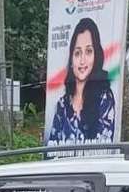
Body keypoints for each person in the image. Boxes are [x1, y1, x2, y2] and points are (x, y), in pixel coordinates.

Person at [48, 17, 115, 145]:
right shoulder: (62, 105)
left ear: (96, 56)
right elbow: (51, 147)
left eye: (89, 51)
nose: (82, 60)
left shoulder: (104, 99)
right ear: (71, 59)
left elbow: (104, 146)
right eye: (77, 53)